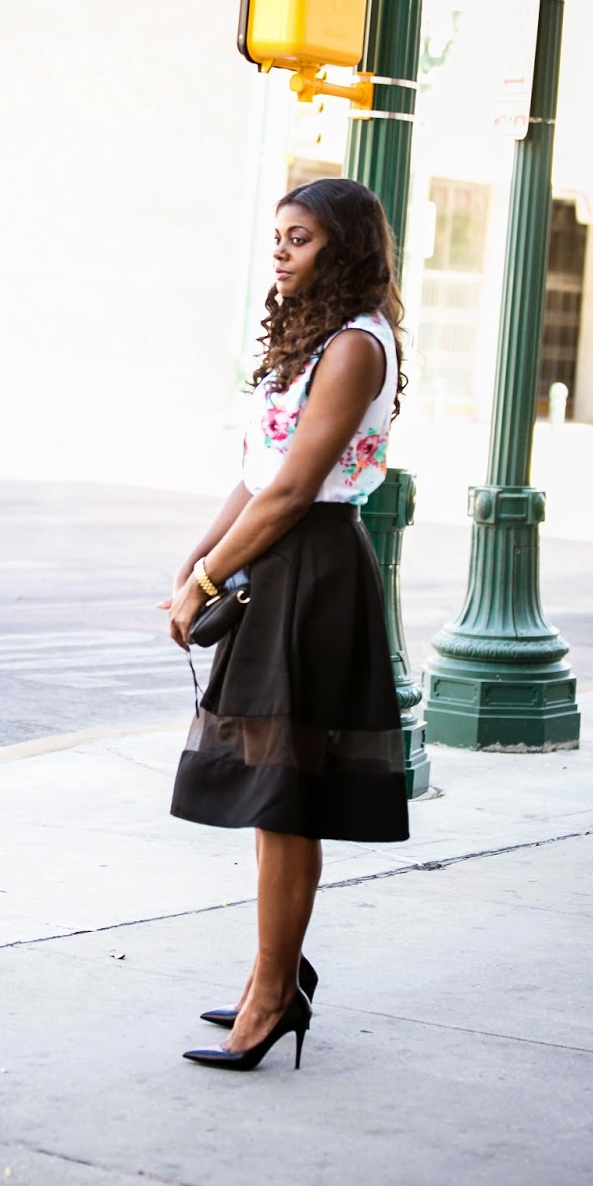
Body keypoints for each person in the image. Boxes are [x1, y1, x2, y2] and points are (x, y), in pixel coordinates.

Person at [161, 177, 409, 1073]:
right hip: (278, 562)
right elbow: (258, 472)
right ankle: (274, 977)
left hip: (314, 571)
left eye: (300, 238)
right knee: (275, 794)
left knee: (284, 796)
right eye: (278, 235)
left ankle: (272, 998)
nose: (280, 250)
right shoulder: (311, 342)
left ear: (344, 247)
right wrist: (196, 560)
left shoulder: (355, 346)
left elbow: (299, 489)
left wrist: (209, 578)